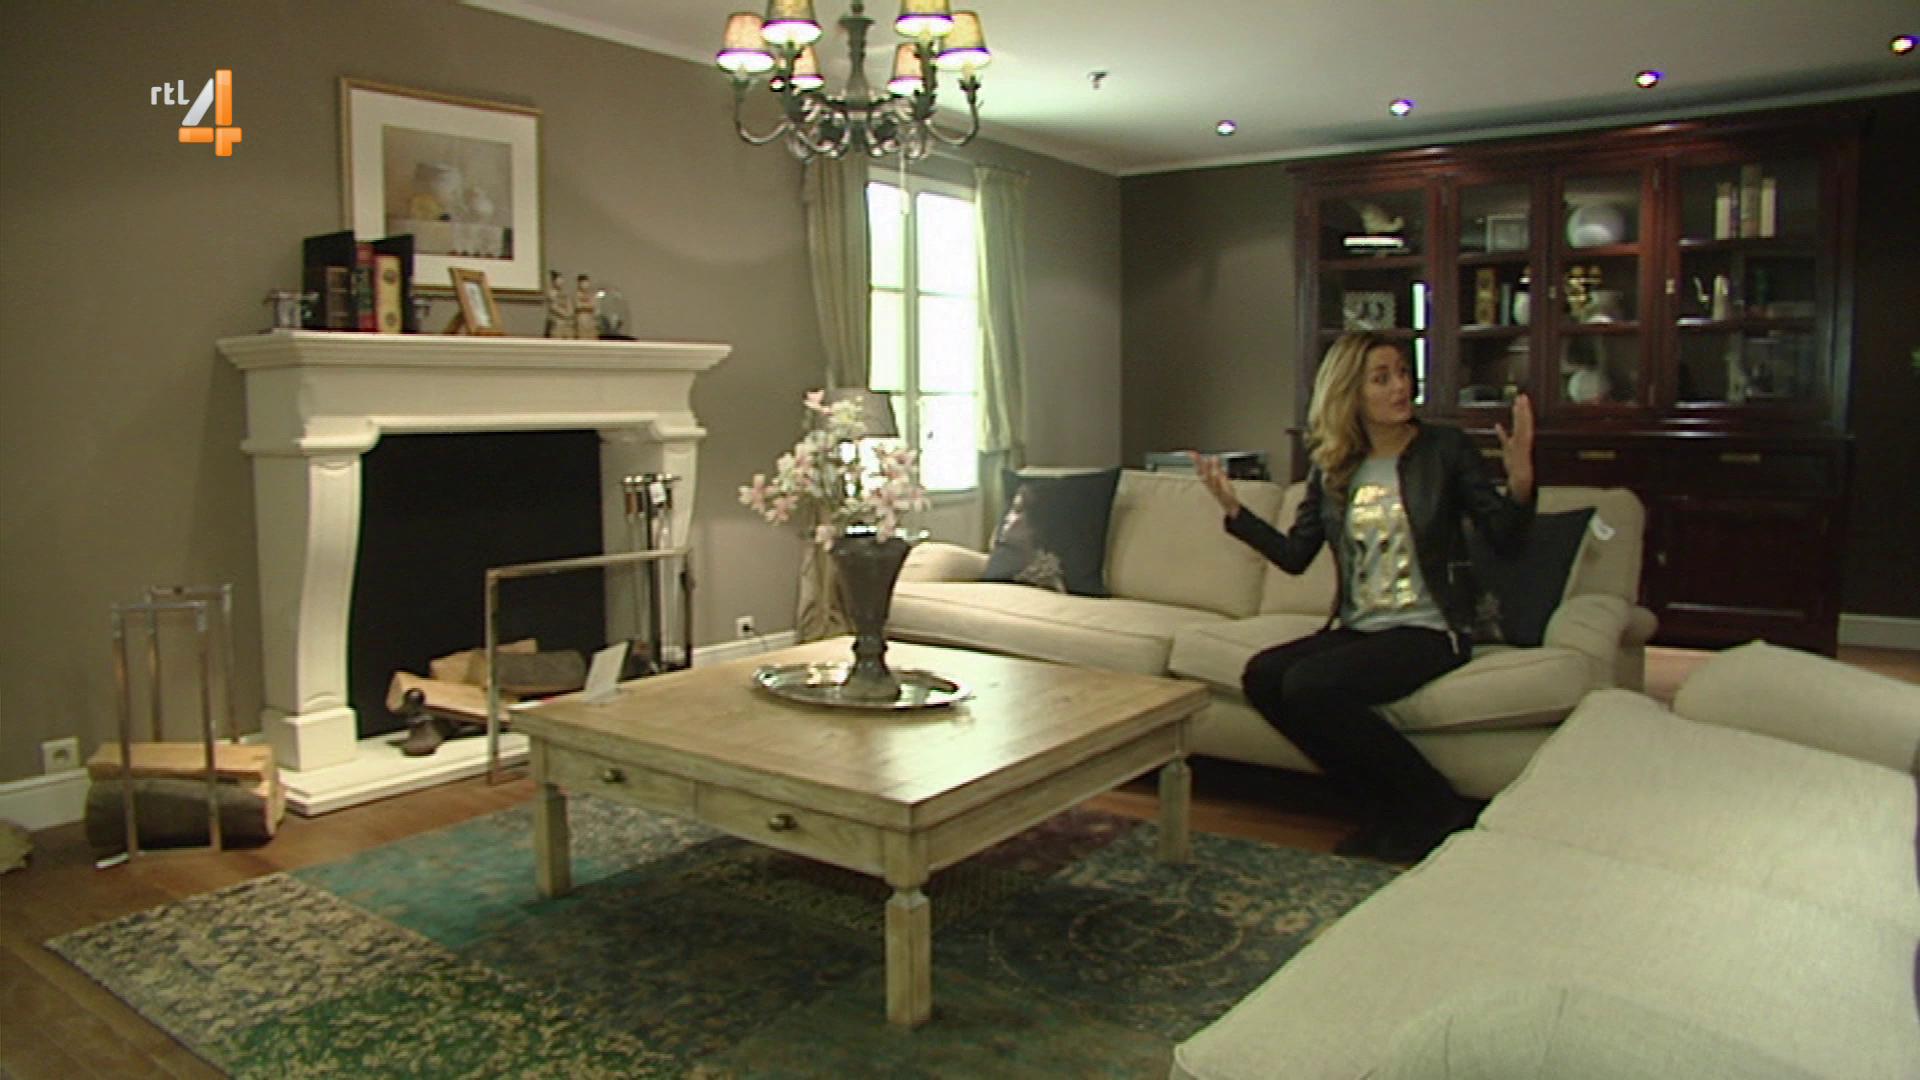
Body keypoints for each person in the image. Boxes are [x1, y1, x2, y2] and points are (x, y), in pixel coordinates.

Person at [1192, 332, 1536, 863]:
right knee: (1264, 675)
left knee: (1311, 684)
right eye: (1382, 378)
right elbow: (1295, 555)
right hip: (1360, 627)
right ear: (1350, 392)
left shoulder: (1444, 449)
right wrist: (1237, 513)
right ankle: (1384, 806)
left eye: (1402, 373)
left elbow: (1504, 540)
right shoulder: (1333, 465)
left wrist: (1520, 484)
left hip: (1431, 629)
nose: (1400, 386)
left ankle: (1434, 806)